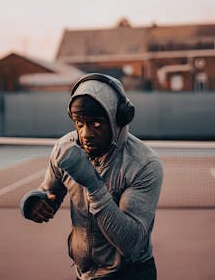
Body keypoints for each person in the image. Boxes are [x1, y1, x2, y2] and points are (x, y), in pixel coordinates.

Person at [20, 73, 163, 280]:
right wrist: (33, 202)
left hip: (131, 274)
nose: (85, 133)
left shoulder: (143, 164)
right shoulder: (65, 148)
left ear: (118, 119)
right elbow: (48, 193)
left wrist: (93, 185)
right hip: (85, 273)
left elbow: (131, 243)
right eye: (79, 123)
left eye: (96, 124)